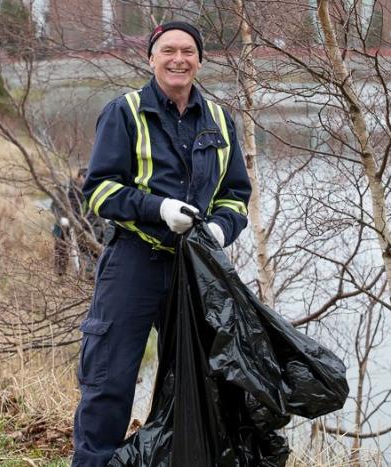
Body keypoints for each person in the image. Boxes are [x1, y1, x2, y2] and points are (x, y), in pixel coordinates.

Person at [72, 21, 251, 467]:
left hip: (196, 271)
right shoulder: (125, 112)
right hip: (133, 263)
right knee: (110, 377)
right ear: (151, 58)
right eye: (168, 50)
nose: (178, 59)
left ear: (200, 61)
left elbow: (237, 196)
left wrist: (219, 231)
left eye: (188, 51)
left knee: (196, 381)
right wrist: (159, 209)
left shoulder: (221, 122)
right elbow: (99, 191)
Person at [52, 168, 104, 274]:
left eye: (88, 177)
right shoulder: (66, 188)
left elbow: (94, 211)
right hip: (64, 223)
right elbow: (55, 205)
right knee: (61, 246)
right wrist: (63, 218)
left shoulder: (92, 189)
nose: (86, 179)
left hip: (84, 225)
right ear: (78, 177)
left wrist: (86, 223)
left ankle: (89, 274)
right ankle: (60, 274)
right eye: (84, 177)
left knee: (89, 249)